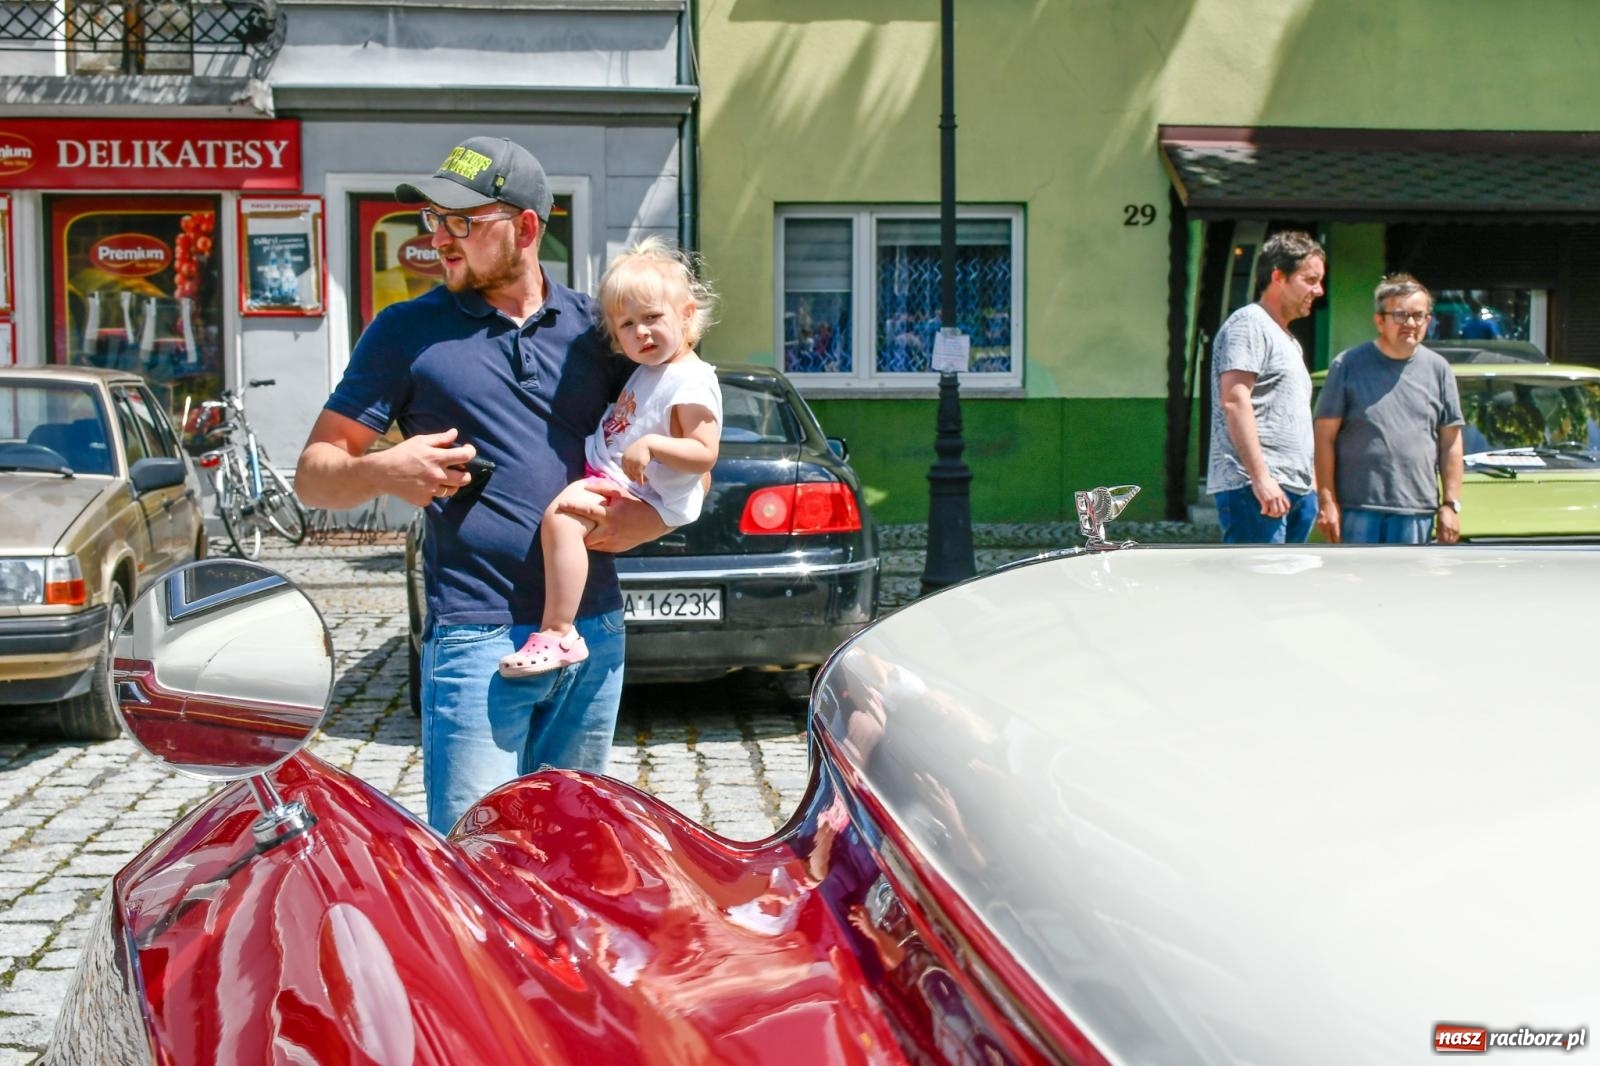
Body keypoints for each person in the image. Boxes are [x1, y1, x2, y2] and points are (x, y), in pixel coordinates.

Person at [294, 136, 672, 833]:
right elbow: (315, 475)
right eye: (433, 220)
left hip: (591, 634)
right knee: (473, 857)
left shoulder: (599, 329)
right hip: (477, 636)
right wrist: (383, 468)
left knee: (574, 853)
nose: (440, 237)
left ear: (526, 228)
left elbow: (680, 449)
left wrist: (648, 521)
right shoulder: (404, 332)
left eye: (462, 221)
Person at [499, 237, 722, 676]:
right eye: (627, 324)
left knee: (562, 521)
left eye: (653, 318)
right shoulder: (654, 370)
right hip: (616, 478)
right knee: (562, 521)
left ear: (687, 315)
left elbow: (704, 453)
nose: (641, 332)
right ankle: (559, 628)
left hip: (642, 495)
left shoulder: (691, 382)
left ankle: (559, 632)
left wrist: (652, 446)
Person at [1314, 274, 1464, 544]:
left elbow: (1451, 442)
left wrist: (1451, 505)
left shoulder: (1439, 369)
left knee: (1407, 586)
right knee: (1355, 584)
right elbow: (1324, 436)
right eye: (1400, 315)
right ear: (1379, 321)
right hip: (1356, 509)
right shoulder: (1347, 365)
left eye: (1418, 316)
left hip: (1416, 511)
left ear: (1428, 321)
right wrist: (1327, 502)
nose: (1410, 323)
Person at [1206, 231, 1326, 544]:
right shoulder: (1248, 324)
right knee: (1257, 588)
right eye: (1310, 280)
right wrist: (1261, 479)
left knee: (1285, 590)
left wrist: (1310, 483)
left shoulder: (1288, 339)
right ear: (1278, 277)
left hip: (1294, 489)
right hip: (1255, 489)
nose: (1319, 290)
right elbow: (1234, 401)